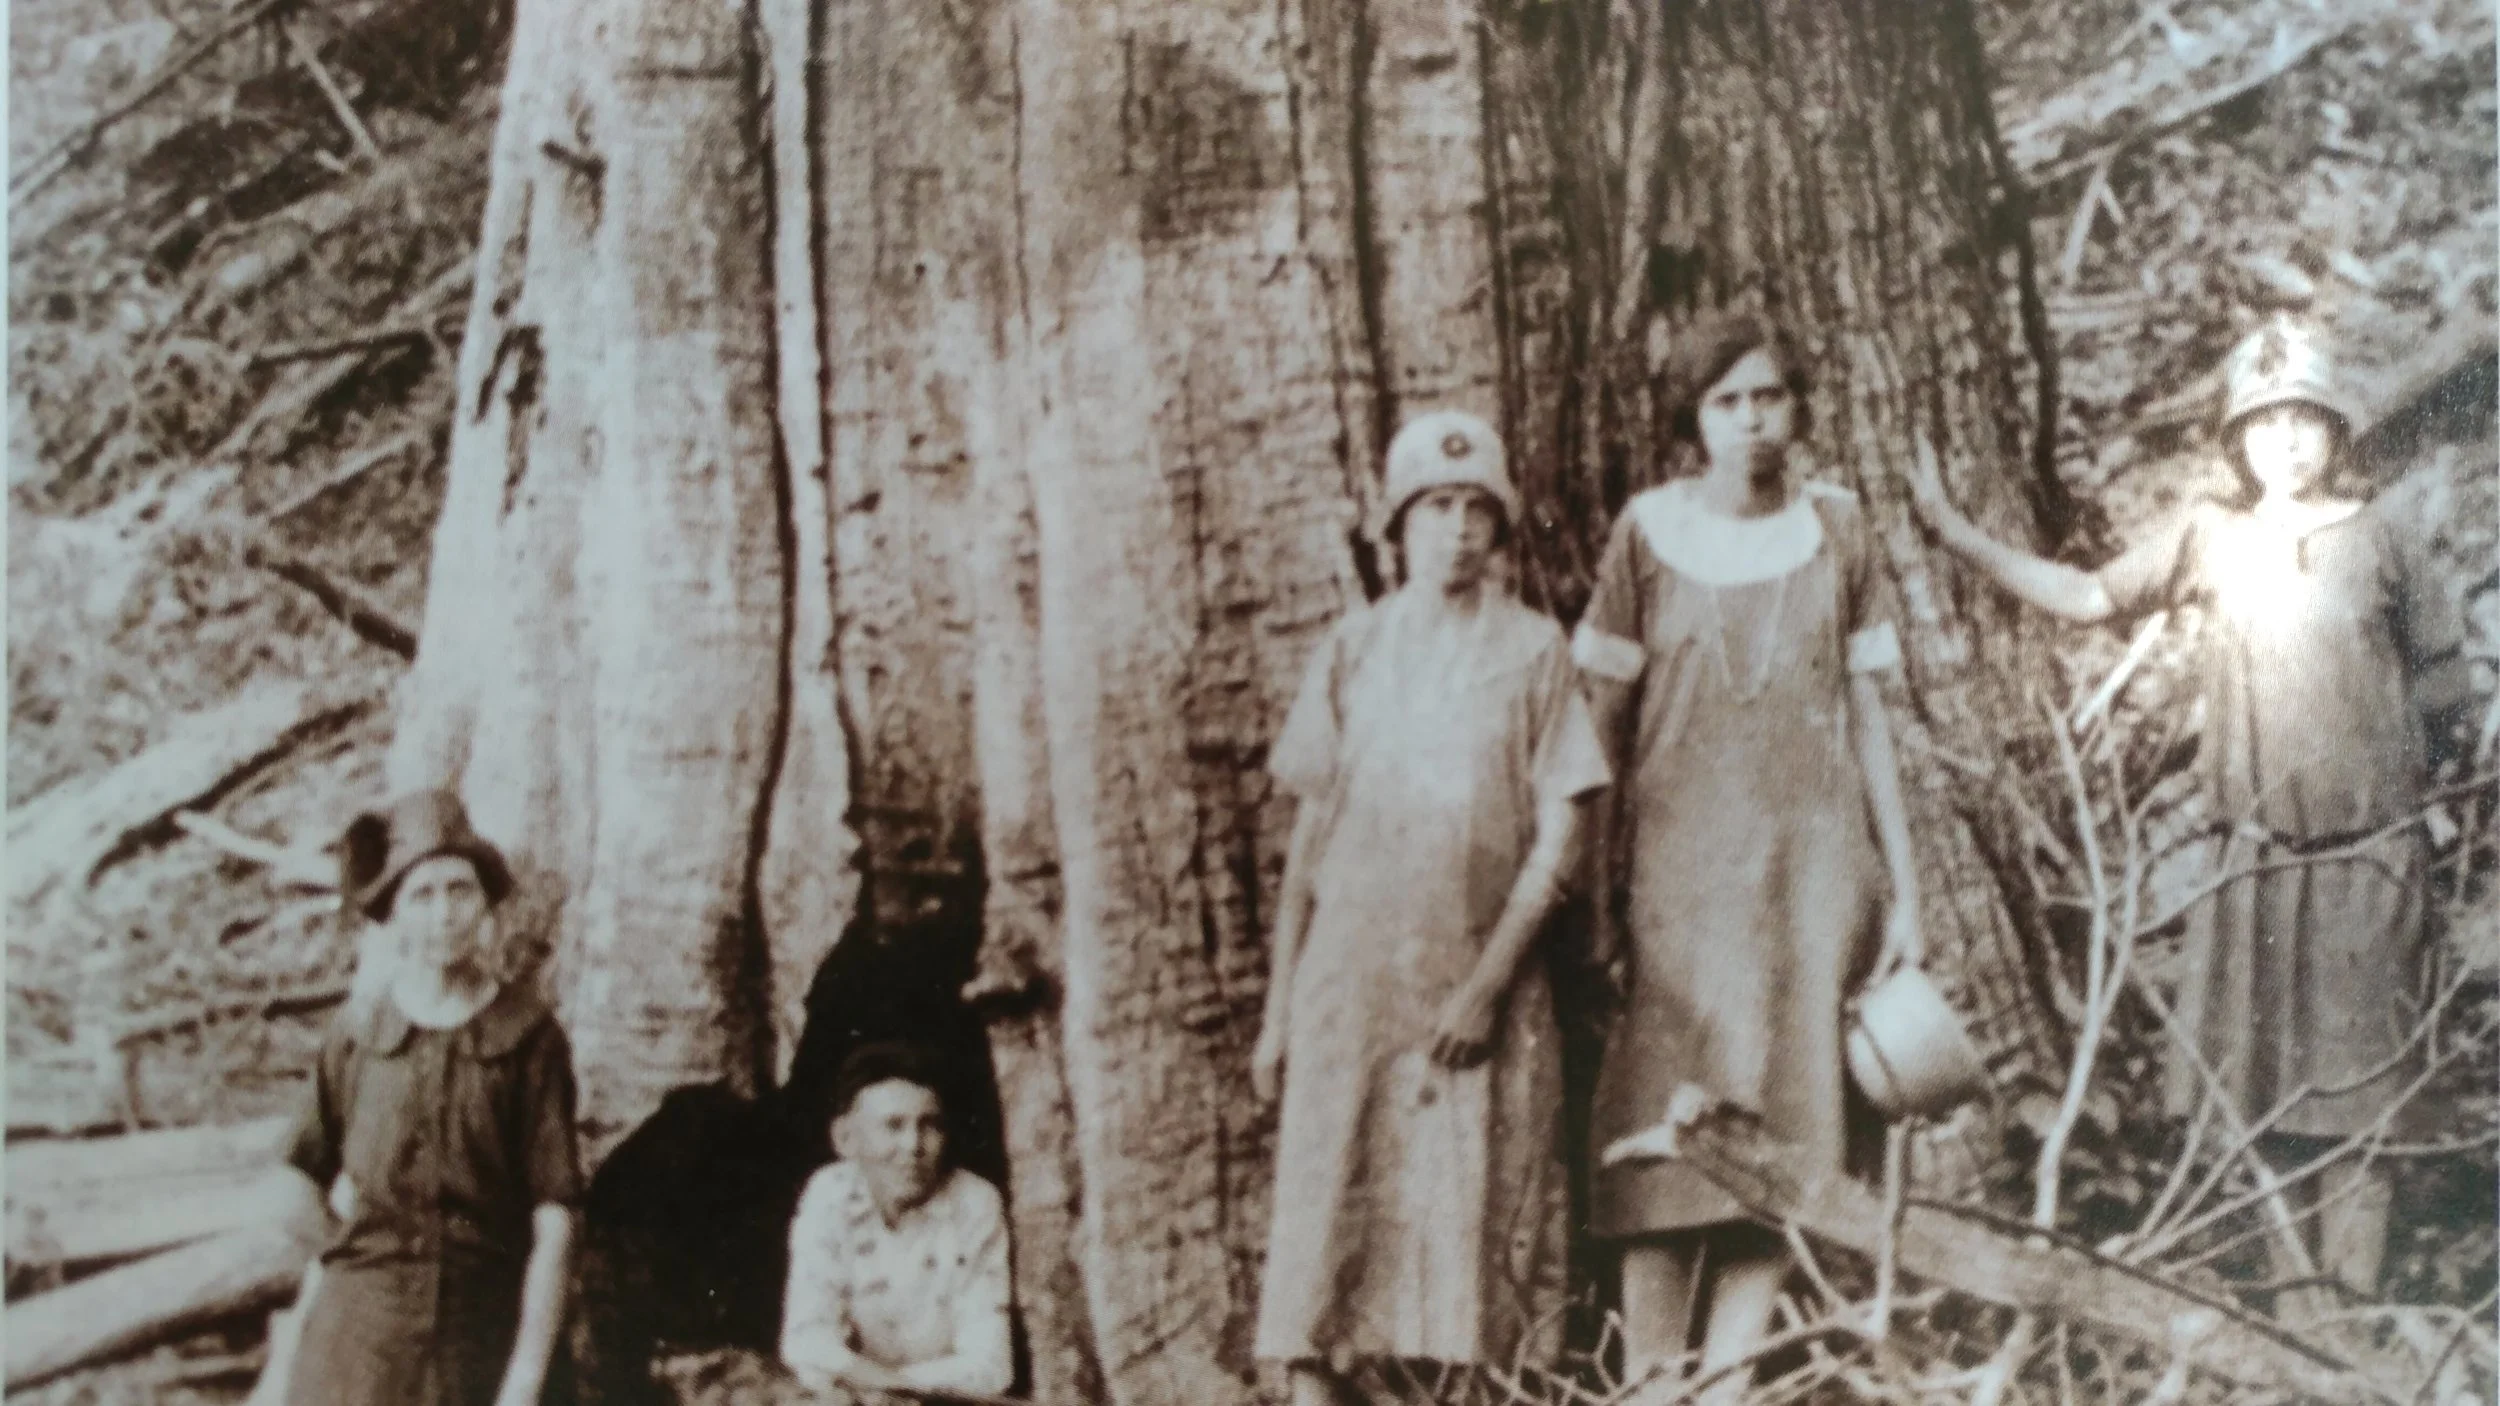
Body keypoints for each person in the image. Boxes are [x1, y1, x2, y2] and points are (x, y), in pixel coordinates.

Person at [1907, 318, 2471, 1308]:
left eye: (2303, 419)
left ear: (2334, 432)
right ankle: (2301, 1314)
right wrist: (1954, 530)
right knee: (2263, 1101)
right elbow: (2086, 598)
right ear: (2236, 441)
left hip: (2369, 864)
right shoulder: (2212, 538)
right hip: (2253, 864)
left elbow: (2442, 684)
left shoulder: (2382, 540)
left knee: (2361, 1102)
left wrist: (2384, 784)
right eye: (2262, 423)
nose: (2284, 440)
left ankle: (2348, 1317)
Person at [1571, 311, 1922, 1404]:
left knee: (1791, 1125)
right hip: (1678, 888)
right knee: (1663, 1141)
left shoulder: (1840, 528)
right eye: (1727, 401)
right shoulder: (1644, 532)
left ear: (1797, 405)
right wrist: (1596, 892)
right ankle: (1651, 1380)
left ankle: (1730, 1384)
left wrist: (1902, 889)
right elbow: (1598, 727)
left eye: (1769, 396)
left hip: (1814, 888)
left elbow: (1868, 718)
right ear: (1694, 417)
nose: (1752, 420)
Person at [1250, 410, 1611, 1405]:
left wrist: (1485, 987)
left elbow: (1562, 836)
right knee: (1330, 1231)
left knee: (1477, 1237)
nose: (1454, 529)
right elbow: (1308, 849)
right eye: (1433, 508)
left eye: (1473, 509)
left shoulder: (1535, 652)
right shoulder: (1352, 647)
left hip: (1477, 991)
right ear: (1395, 526)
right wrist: (1281, 1012)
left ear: (1498, 527)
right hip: (1352, 994)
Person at [278, 789, 583, 1406]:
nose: (444, 914)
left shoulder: (530, 1038)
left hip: (483, 1335)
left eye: (460, 891)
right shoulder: (358, 1032)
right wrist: (350, 1267)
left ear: (485, 903)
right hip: (361, 1347)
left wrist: (523, 1379)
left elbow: (556, 1219)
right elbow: (298, 1175)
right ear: (393, 913)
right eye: (423, 895)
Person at [779, 1041, 1013, 1398]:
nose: (913, 1146)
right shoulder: (829, 1196)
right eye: (893, 1126)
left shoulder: (974, 1203)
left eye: (929, 1125)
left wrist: (888, 1386)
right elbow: (806, 1340)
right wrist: (881, 1386)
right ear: (845, 1139)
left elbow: (991, 1364)